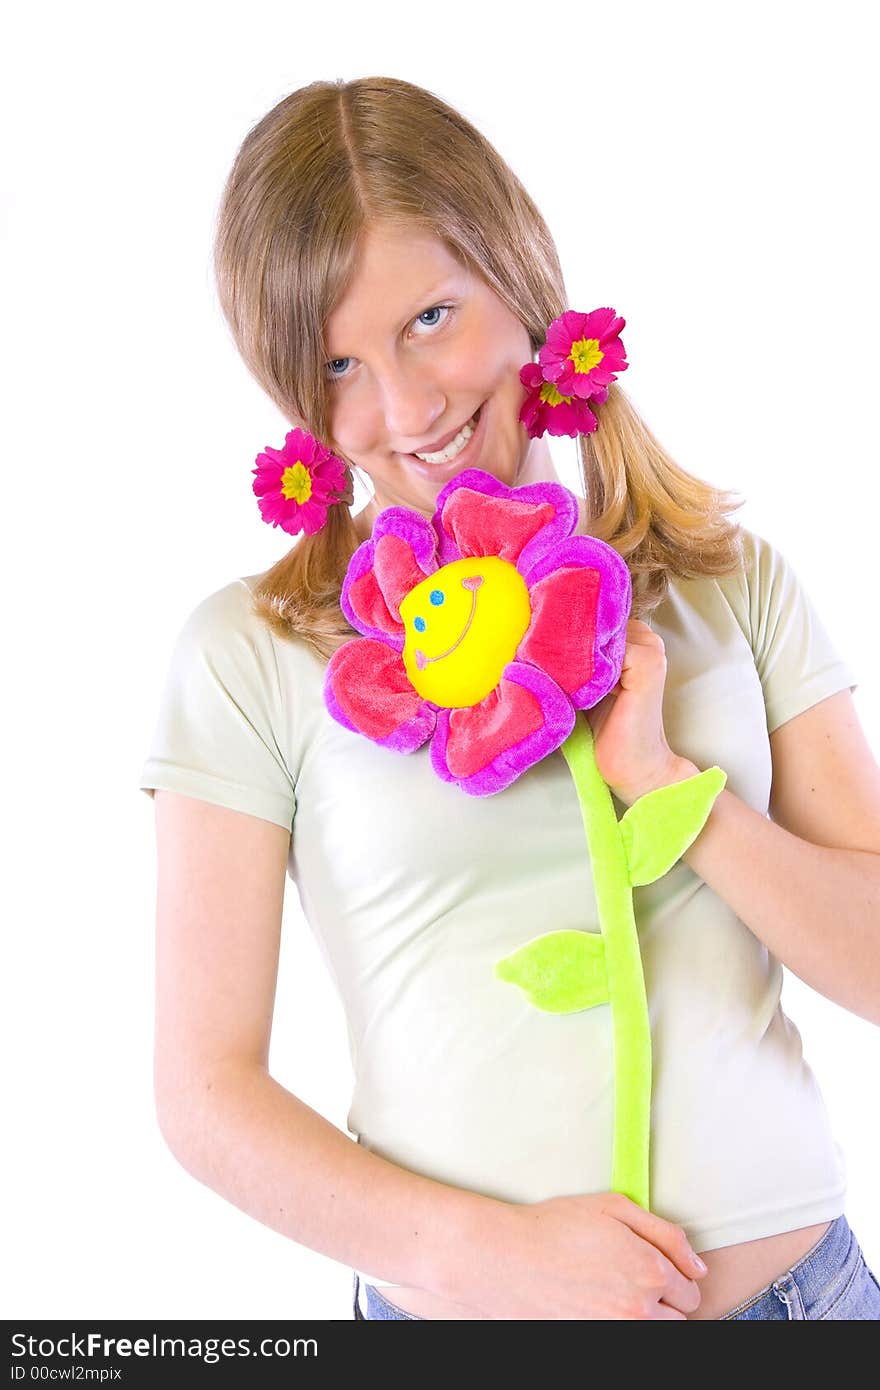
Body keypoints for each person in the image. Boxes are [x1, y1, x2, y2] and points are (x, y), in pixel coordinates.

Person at [138, 75, 880, 1321]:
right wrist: (473, 1250)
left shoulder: (725, 585)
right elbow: (204, 1093)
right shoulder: (251, 653)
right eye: (335, 363)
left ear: (520, 276)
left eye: (431, 315)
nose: (407, 408)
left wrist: (669, 788)